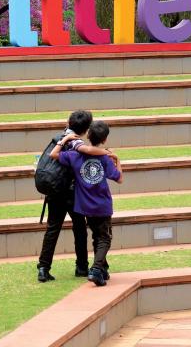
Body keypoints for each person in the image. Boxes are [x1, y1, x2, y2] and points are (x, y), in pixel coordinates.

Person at [37, 111, 118, 283]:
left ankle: (43, 268)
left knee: (53, 229)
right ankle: (82, 267)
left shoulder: (59, 137)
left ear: (69, 122)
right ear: (87, 128)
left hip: (54, 191)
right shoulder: (76, 142)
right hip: (73, 193)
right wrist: (105, 153)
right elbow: (86, 150)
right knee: (80, 229)